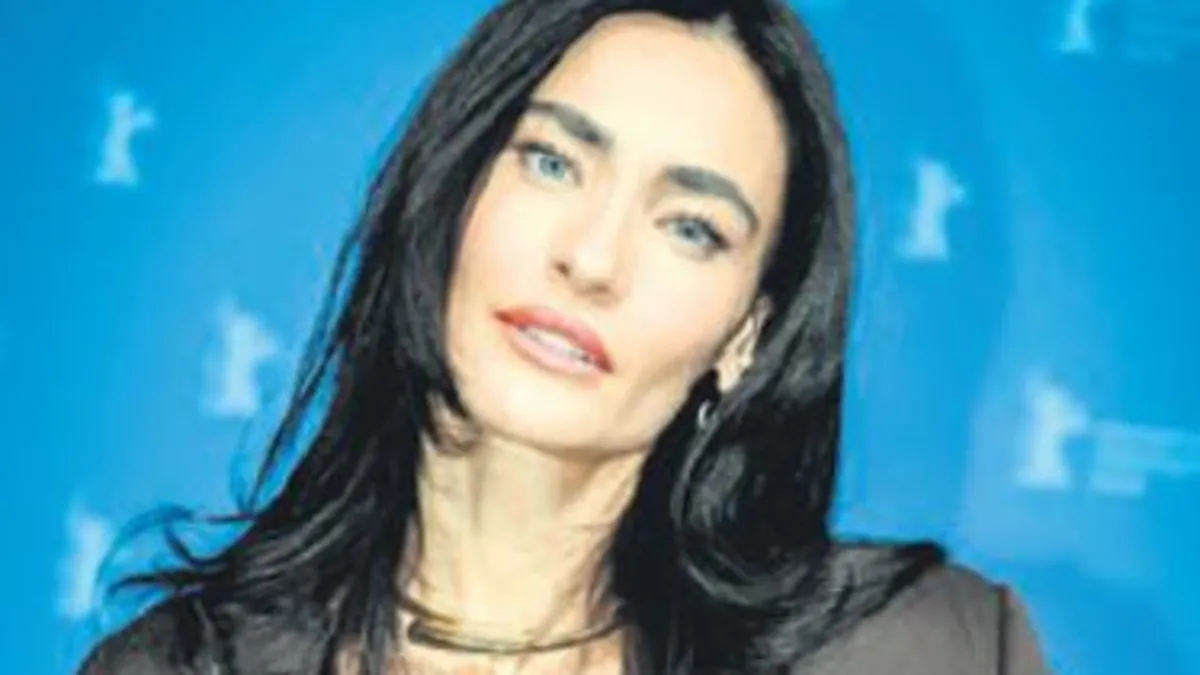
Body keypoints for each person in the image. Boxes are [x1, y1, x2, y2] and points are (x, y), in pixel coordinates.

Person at [79, 0, 1050, 673]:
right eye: (552, 162)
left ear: (746, 334)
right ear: (452, 191)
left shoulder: (931, 650)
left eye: (690, 227)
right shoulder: (176, 666)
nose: (591, 258)